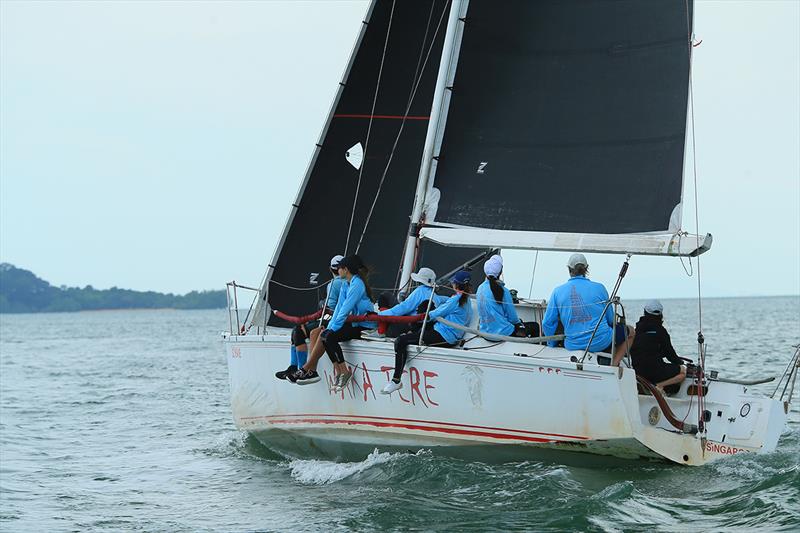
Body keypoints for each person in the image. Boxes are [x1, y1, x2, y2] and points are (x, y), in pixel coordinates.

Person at [381, 270, 473, 395]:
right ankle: (411, 335)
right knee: (410, 335)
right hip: (450, 337)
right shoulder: (467, 301)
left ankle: (396, 381)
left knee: (400, 341)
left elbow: (435, 314)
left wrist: (419, 316)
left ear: (455, 285)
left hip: (442, 336)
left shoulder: (455, 300)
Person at [292, 254, 376, 386]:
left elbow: (345, 309)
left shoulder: (357, 284)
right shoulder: (346, 284)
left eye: (340, 268)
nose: (338, 271)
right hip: (353, 323)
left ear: (346, 269)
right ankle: (339, 372)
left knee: (328, 335)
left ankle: (310, 368)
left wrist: (333, 328)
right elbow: (338, 309)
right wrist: (331, 327)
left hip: (364, 326)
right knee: (325, 335)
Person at [542, 253, 633, 366]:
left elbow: (547, 323)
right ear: (586, 269)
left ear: (569, 269)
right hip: (601, 342)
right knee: (631, 331)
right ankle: (613, 365)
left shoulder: (557, 291)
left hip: (572, 345)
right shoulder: (599, 288)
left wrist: (552, 344)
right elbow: (611, 320)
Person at [276, 254, 344, 380]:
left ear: (331, 269)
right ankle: (295, 368)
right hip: (333, 317)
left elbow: (331, 306)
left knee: (297, 331)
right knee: (298, 331)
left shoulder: (334, 283)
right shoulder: (348, 282)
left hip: (331, 317)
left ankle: (303, 369)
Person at [629, 300, 686, 393]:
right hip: (656, 371)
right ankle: (658, 386)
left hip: (638, 372)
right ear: (660, 315)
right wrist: (680, 362)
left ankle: (648, 386)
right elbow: (670, 354)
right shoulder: (661, 331)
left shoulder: (636, 331)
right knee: (682, 371)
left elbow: (639, 350)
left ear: (645, 312)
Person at [477, 255, 538, 337]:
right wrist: (519, 322)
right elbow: (513, 319)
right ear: (500, 272)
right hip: (503, 333)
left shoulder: (480, 288)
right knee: (535, 326)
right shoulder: (504, 291)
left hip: (485, 333)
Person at [378, 267, 448, 337]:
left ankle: (381, 330)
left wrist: (380, 314)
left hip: (409, 323)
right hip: (421, 326)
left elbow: (404, 308)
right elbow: (445, 299)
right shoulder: (435, 297)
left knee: (384, 296)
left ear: (419, 281)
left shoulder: (420, 291)